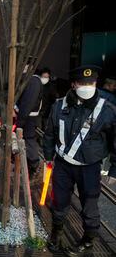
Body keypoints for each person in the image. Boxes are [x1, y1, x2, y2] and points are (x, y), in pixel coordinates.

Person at [43, 65, 116, 255]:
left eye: (91, 83)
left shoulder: (107, 109)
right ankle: (56, 233)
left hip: (90, 167)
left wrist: (114, 170)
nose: (87, 86)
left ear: (96, 83)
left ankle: (88, 241)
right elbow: (49, 133)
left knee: (90, 206)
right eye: (82, 83)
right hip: (62, 164)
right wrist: (48, 156)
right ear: (74, 84)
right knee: (59, 202)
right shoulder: (59, 105)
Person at [15, 69, 49, 179]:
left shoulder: (33, 82)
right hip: (28, 116)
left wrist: (20, 122)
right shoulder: (33, 81)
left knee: (29, 140)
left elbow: (27, 104)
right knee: (28, 139)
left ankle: (34, 163)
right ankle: (31, 164)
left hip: (28, 117)